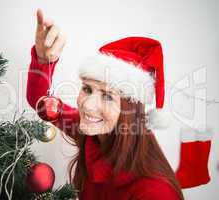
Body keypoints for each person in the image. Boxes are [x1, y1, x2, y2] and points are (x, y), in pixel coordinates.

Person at [26, 9, 184, 200]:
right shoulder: (93, 133)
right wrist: (43, 60)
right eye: (87, 89)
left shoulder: (155, 192)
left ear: (130, 110)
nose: (88, 106)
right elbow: (42, 104)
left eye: (108, 96)